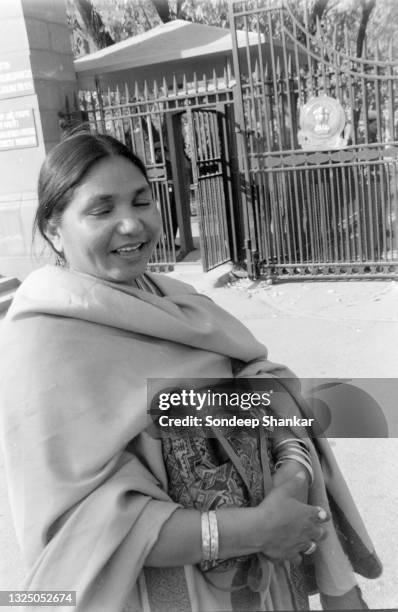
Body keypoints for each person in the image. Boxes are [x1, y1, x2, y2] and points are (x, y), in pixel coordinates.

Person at [0, 133, 381, 612]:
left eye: (142, 200)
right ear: (55, 228)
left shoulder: (179, 301)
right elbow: (79, 524)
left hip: (266, 581)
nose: (131, 223)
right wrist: (256, 528)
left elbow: (261, 389)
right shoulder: (42, 343)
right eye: (101, 210)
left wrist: (291, 474)